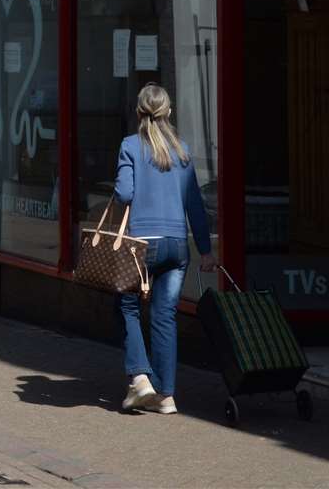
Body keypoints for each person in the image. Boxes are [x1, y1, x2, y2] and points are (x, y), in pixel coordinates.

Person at [114, 83, 214, 415]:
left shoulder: (130, 146)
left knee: (128, 307)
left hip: (142, 244)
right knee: (165, 317)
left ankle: (140, 379)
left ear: (139, 112)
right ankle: (167, 396)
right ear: (168, 112)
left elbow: (125, 195)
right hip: (176, 246)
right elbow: (195, 207)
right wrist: (206, 251)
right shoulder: (183, 152)